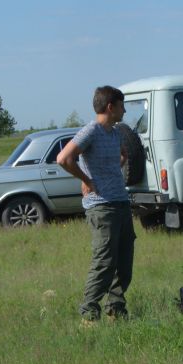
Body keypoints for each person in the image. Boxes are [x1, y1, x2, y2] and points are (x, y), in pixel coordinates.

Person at [56, 86, 135, 322]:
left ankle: (116, 311)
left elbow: (123, 155)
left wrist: (110, 171)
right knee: (104, 261)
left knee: (124, 262)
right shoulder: (91, 130)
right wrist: (87, 179)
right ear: (110, 107)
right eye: (122, 106)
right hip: (101, 206)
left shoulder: (115, 132)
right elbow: (63, 158)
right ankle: (89, 315)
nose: (124, 110)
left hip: (120, 202)